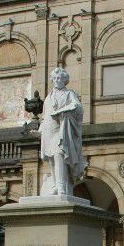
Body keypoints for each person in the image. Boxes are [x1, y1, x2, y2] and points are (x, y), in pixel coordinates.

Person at [38, 67, 87, 197]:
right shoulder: (48, 97)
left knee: (59, 154)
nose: (57, 80)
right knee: (51, 159)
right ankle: (55, 184)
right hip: (49, 130)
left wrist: (62, 111)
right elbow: (45, 116)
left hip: (62, 129)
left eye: (59, 78)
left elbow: (78, 108)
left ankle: (61, 185)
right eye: (55, 78)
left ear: (65, 80)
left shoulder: (69, 94)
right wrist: (39, 130)